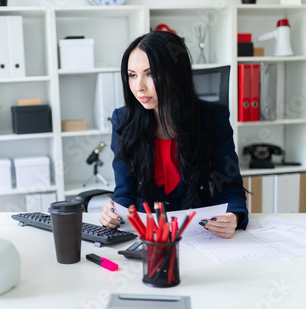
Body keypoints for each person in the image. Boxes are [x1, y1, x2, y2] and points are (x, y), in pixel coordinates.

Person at [99, 31, 248, 239]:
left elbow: (230, 186)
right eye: (132, 75)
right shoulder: (123, 122)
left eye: (150, 73)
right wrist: (113, 214)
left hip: (201, 235)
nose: (139, 86)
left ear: (175, 74)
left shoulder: (213, 119)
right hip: (148, 237)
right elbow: (125, 193)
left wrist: (234, 215)